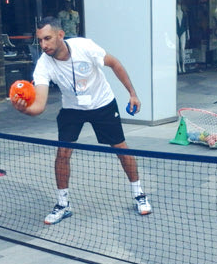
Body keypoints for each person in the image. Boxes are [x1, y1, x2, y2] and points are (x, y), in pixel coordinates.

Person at [11, 16, 152, 225]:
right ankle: (63, 204)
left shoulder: (84, 47)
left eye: (47, 39)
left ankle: (139, 193)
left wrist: (132, 93)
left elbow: (114, 63)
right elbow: (39, 106)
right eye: (40, 40)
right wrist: (24, 110)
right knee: (62, 154)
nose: (44, 45)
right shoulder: (43, 65)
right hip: (72, 109)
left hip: (102, 103)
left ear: (60, 35)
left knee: (121, 148)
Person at [177, 3, 189, 73]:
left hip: (183, 31)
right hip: (176, 31)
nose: (178, 6)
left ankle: (183, 66)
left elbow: (187, 24)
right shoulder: (173, 13)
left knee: (182, 49)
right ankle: (178, 66)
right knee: (177, 50)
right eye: (177, 5)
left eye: (179, 5)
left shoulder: (184, 14)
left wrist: (188, 33)